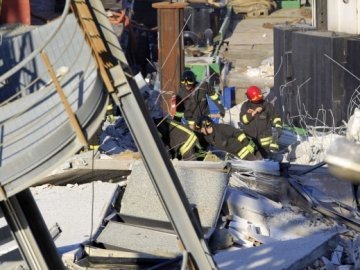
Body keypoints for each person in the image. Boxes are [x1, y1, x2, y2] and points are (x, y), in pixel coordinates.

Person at [239, 85, 282, 159]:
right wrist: (251, 114)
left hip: (265, 143)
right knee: (253, 161)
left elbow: (276, 117)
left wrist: (278, 127)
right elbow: (243, 120)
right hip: (251, 142)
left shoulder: (268, 106)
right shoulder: (245, 106)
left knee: (267, 161)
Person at [196, 116, 261, 161]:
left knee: (257, 170)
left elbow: (237, 133)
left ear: (206, 126)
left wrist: (247, 144)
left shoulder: (221, 128)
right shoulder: (207, 137)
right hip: (233, 158)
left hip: (245, 152)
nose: (201, 131)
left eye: (201, 129)